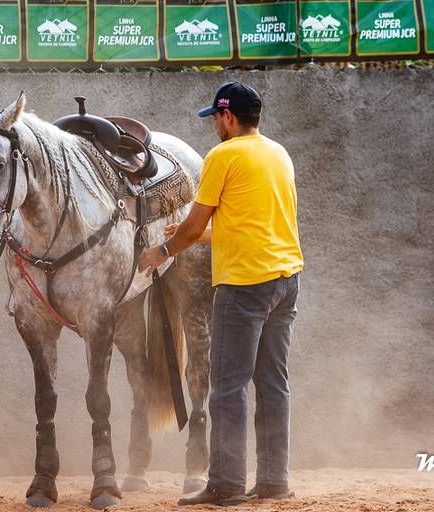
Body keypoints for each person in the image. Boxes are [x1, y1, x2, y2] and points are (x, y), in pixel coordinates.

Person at [138, 81, 303, 506]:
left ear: (228, 117)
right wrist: (193, 235)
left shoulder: (222, 156)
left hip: (244, 284)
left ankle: (226, 484)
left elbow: (195, 224)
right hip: (285, 282)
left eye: (215, 117)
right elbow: (253, 223)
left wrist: (163, 251)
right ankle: (274, 480)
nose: (214, 125)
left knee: (228, 386)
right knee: (273, 384)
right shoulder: (278, 154)